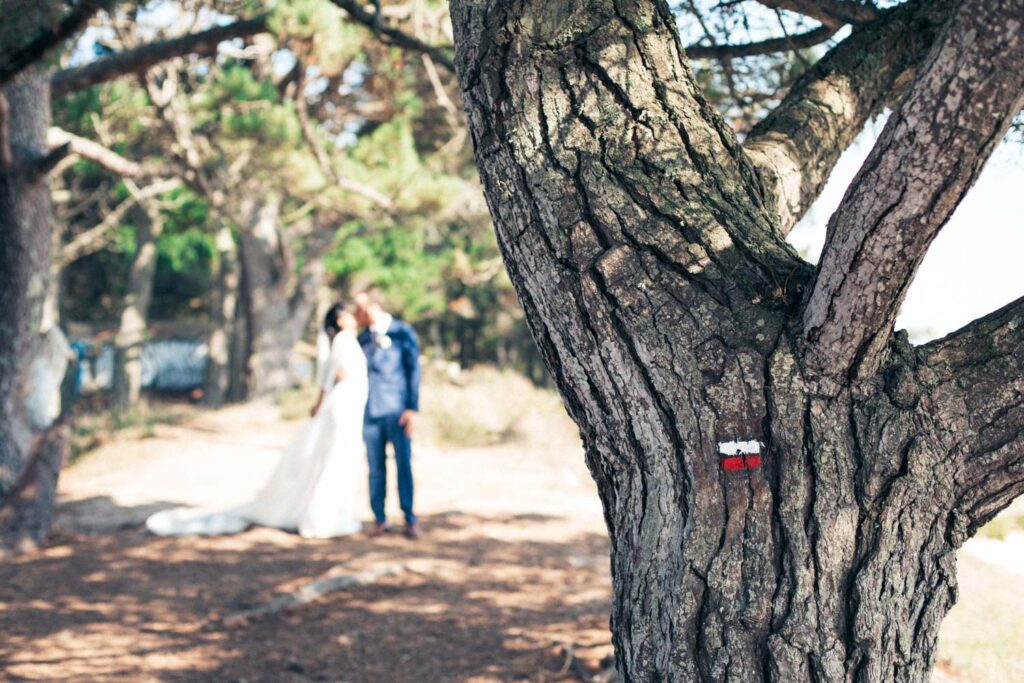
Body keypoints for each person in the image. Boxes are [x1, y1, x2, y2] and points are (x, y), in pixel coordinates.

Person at [145, 303, 368, 538]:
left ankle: (332, 513)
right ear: (340, 320)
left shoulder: (345, 341)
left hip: (347, 405)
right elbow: (332, 376)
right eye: (348, 314)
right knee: (334, 457)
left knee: (335, 457)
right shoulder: (344, 340)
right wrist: (326, 398)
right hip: (343, 406)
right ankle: (324, 517)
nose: (353, 317)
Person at [353, 290, 422, 539]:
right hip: (370, 413)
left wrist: (412, 408)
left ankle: (409, 517)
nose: (355, 314)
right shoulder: (362, 340)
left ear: (372, 307)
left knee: (403, 464)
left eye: (359, 308)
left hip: (398, 411)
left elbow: (414, 370)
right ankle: (379, 519)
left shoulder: (403, 332)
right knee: (375, 467)